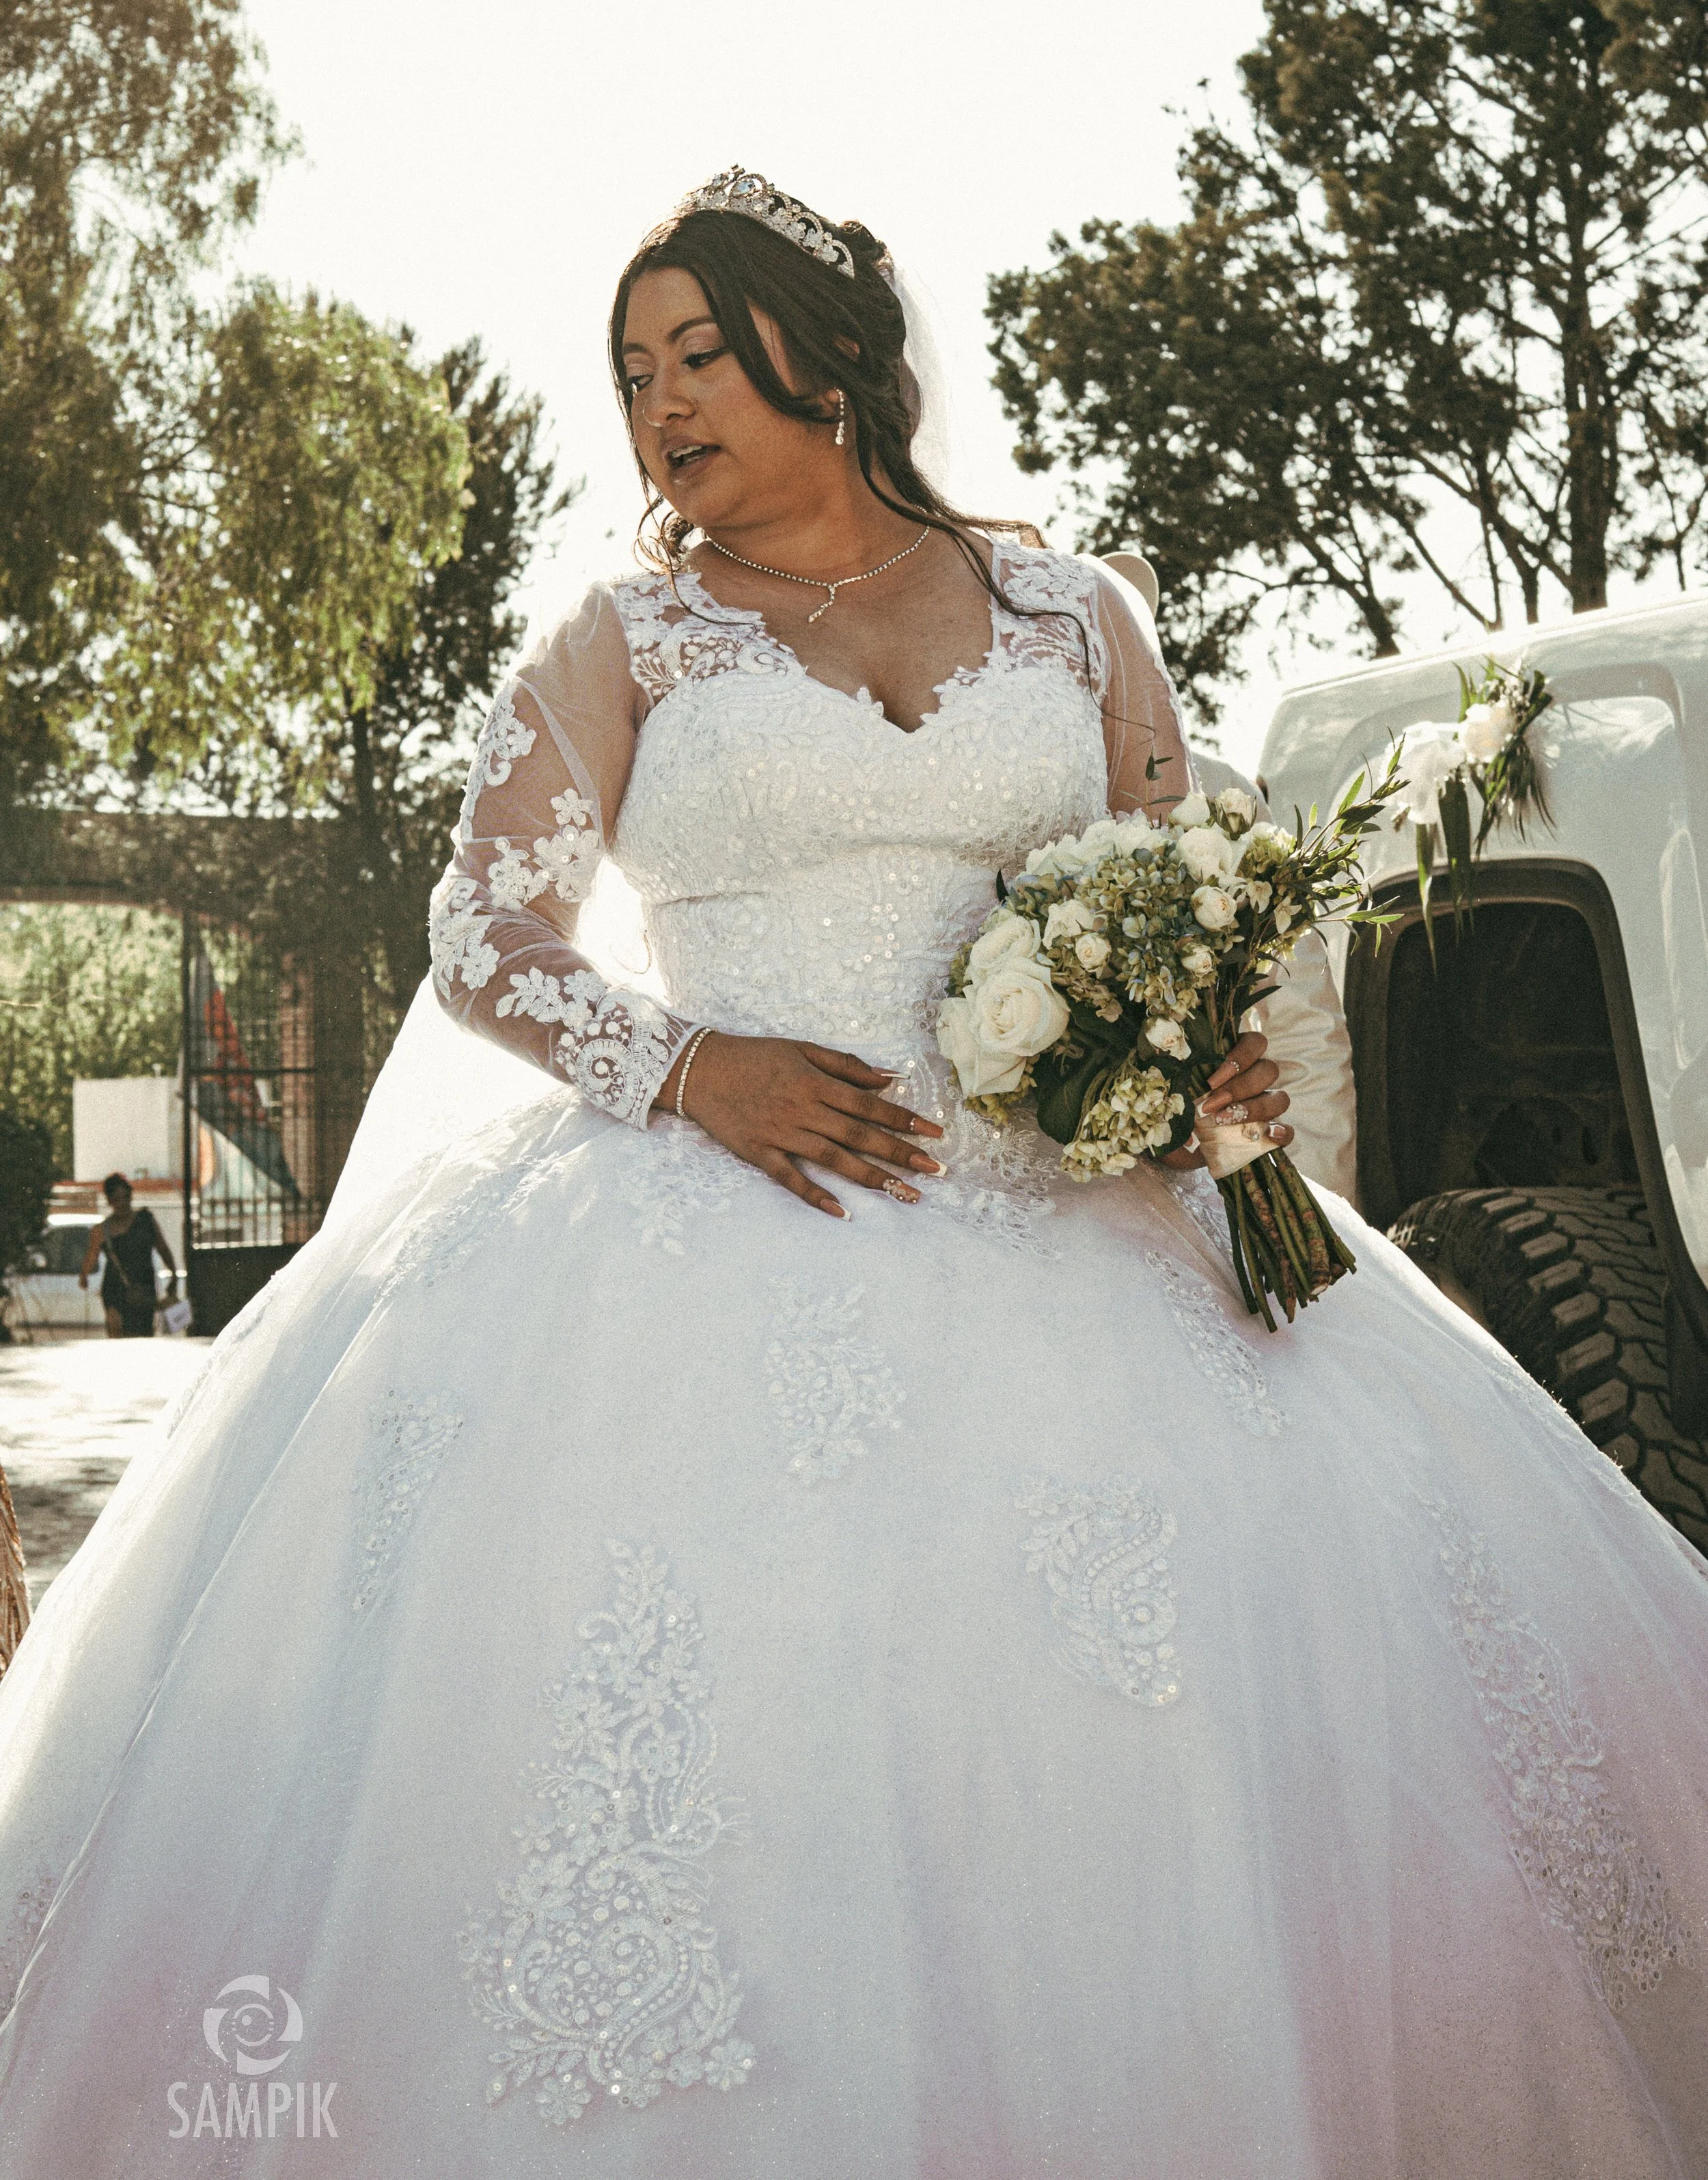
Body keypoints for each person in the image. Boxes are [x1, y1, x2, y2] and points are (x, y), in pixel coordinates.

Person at [0, 168, 1703, 2179]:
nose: (660, 406)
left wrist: (1197, 1076)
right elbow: (483, 930)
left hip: (1089, 1219)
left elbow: (1183, 901)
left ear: (833, 355)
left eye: (699, 351)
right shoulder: (624, 639)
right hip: (708, 1206)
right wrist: (688, 1065)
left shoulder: (1074, 615)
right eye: (631, 372)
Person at [1100, 551, 1360, 1205]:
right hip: (1070, 1198)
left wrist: (1308, 1203)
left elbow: (1301, 1024)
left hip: (1226, 1166)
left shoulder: (1222, 797)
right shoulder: (998, 819)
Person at [77, 1174, 175, 1339]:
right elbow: (91, 1256)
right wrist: (84, 1276)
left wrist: (174, 1273)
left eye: (126, 1197)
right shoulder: (102, 1230)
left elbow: (163, 1248)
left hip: (144, 1288)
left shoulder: (146, 1221)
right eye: (117, 1199)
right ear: (109, 1201)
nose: (122, 1203)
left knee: (142, 1338)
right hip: (115, 1290)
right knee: (117, 1335)